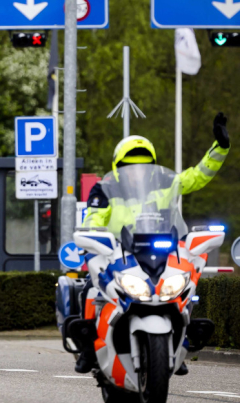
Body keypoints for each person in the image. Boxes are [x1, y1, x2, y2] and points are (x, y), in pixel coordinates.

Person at [73, 112, 231, 375]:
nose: (136, 171)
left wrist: (221, 147)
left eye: (142, 166)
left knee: (184, 289)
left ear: (152, 166)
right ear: (118, 167)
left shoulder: (166, 182)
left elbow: (198, 176)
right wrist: (92, 239)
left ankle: (179, 344)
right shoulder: (104, 189)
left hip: (160, 251)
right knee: (91, 289)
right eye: (129, 166)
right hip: (119, 254)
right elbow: (93, 219)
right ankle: (88, 349)